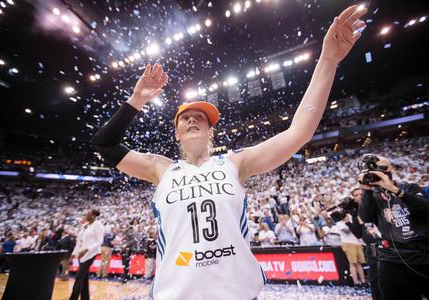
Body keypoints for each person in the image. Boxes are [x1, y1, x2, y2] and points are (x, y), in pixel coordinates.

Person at [91, 5, 367, 299]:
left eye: (201, 117)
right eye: (186, 117)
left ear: (211, 132)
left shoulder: (235, 162)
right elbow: (104, 145)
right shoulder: (161, 168)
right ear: (177, 132)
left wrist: (327, 60)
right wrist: (136, 100)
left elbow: (299, 132)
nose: (193, 119)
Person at [358, 155, 429, 300]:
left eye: (382, 169)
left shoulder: (410, 187)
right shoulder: (372, 196)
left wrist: (394, 189)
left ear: (391, 169)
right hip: (392, 259)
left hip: (423, 254)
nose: (379, 173)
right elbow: (366, 218)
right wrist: (366, 190)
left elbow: (425, 209)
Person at [69, 209, 105, 300]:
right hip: (81, 254)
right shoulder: (86, 226)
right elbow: (79, 241)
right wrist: (73, 255)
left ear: (93, 215)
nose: (85, 216)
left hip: (90, 253)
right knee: (84, 278)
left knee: (79, 277)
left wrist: (86, 250)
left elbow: (100, 241)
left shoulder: (98, 225)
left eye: (87, 214)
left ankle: (73, 298)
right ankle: (85, 298)